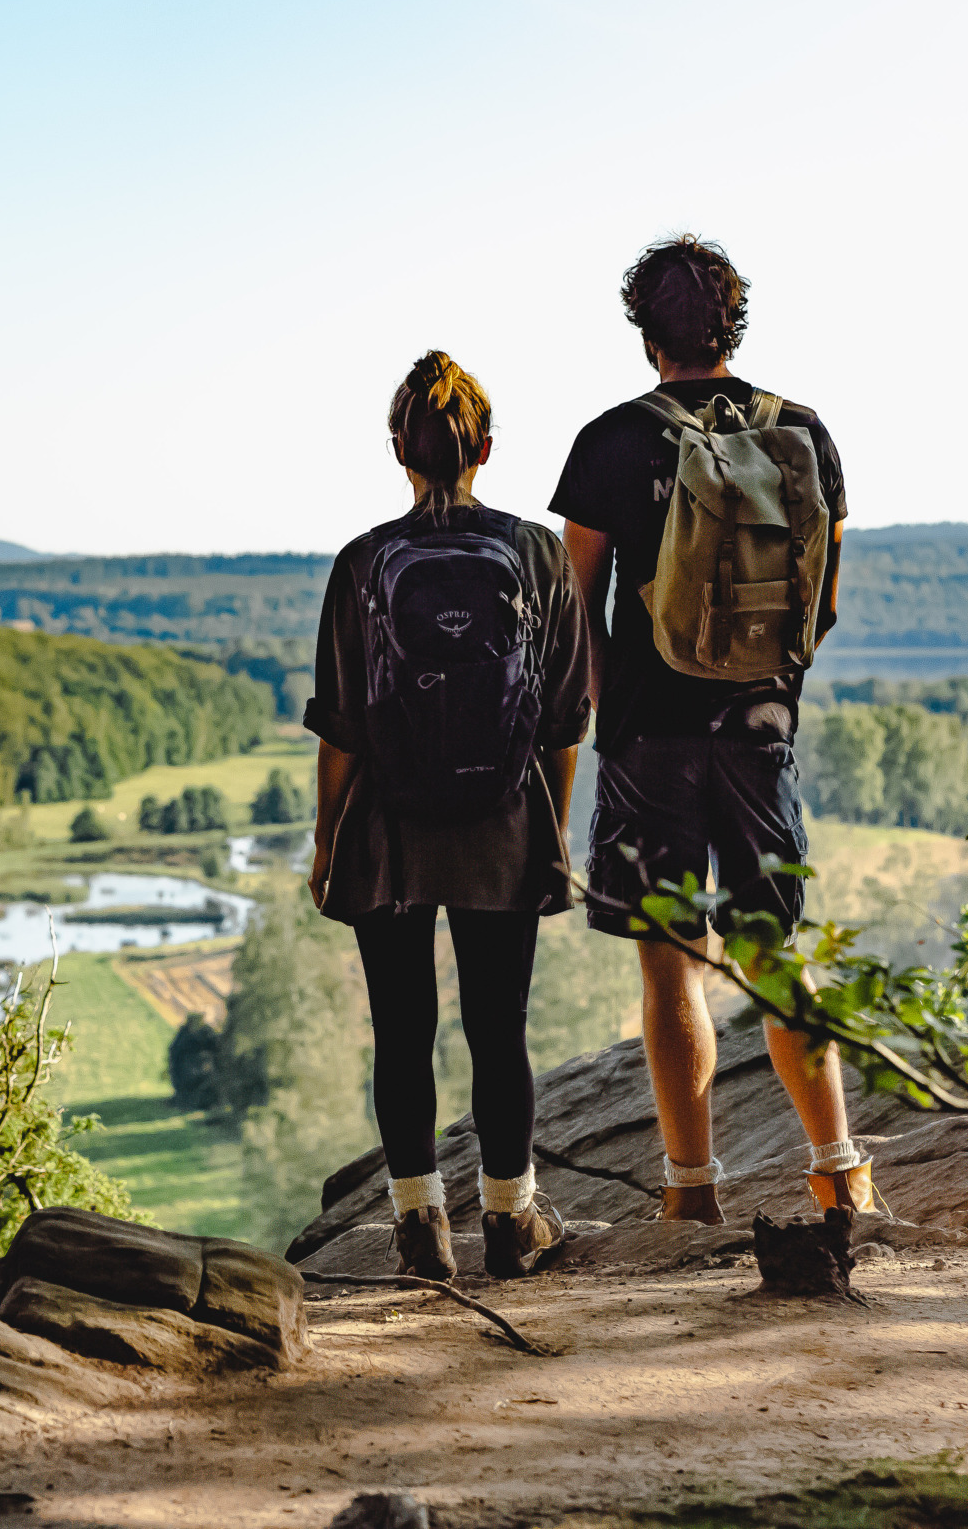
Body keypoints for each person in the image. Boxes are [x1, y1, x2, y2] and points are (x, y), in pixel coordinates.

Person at [548, 234, 870, 1224]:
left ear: (646, 334)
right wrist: (771, 682)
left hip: (647, 736)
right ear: (732, 324)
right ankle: (839, 1172)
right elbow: (821, 600)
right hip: (760, 726)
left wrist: (606, 706)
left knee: (668, 961)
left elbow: (575, 602)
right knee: (774, 950)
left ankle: (690, 1192)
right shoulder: (802, 432)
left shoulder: (609, 440)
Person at [305, 351, 592, 1280]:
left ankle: (420, 1229)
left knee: (402, 1026)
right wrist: (552, 823)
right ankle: (511, 1222)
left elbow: (343, 725)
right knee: (498, 1026)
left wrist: (325, 838)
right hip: (504, 823)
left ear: (398, 448)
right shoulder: (537, 552)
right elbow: (563, 716)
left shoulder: (363, 562)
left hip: (389, 831)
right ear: (488, 449)